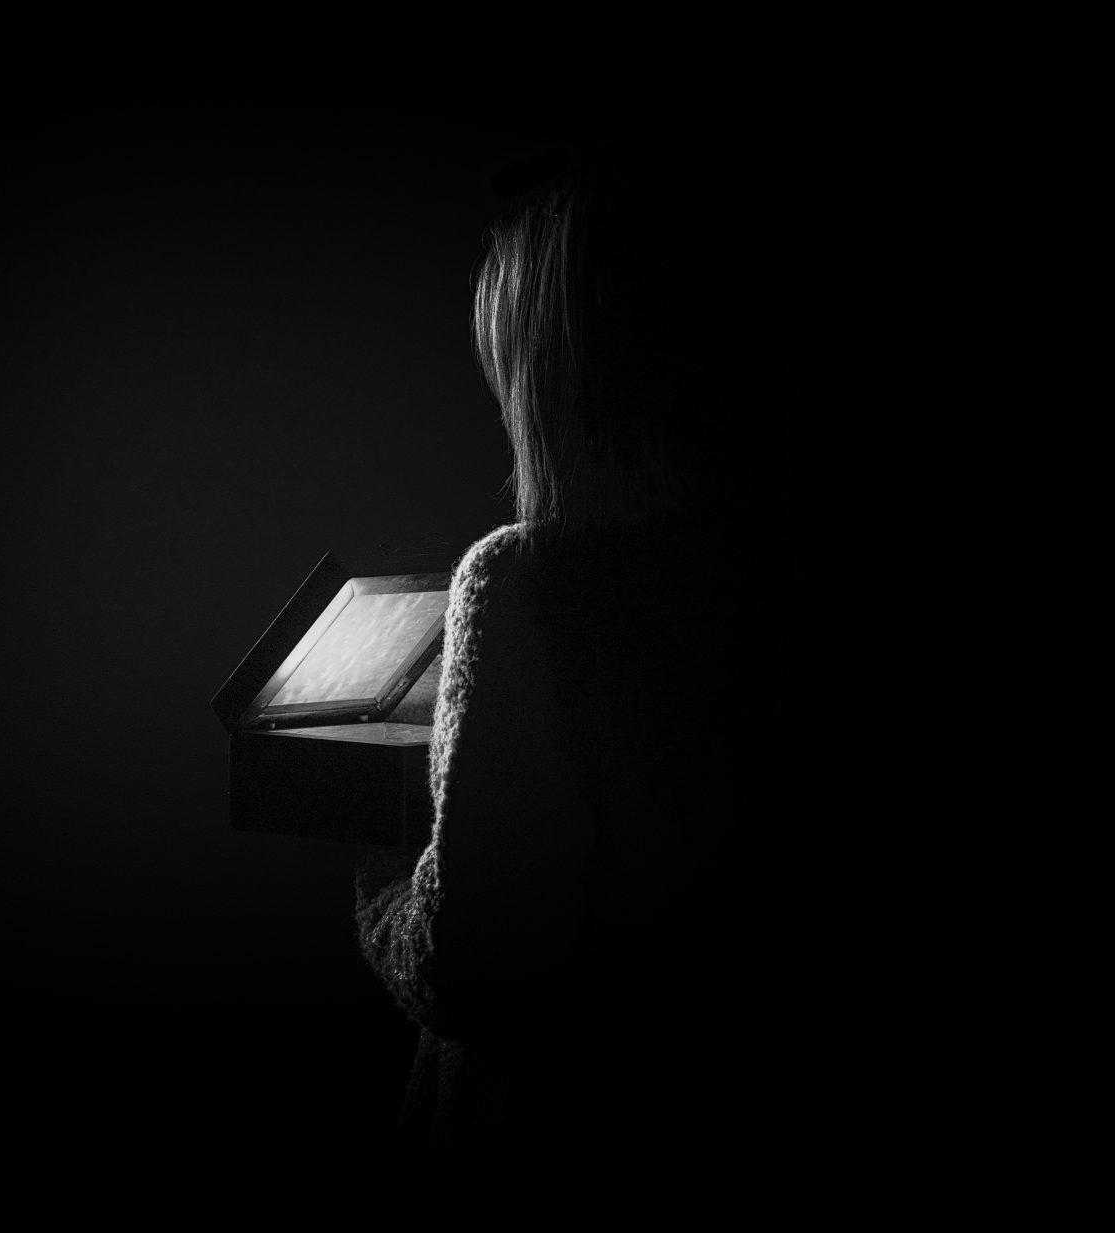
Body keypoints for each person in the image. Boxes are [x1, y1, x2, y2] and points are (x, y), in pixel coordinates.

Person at [354, 140, 849, 1171]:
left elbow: (468, 972)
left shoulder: (525, 581)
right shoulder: (811, 569)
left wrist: (375, 894)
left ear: (556, 370)